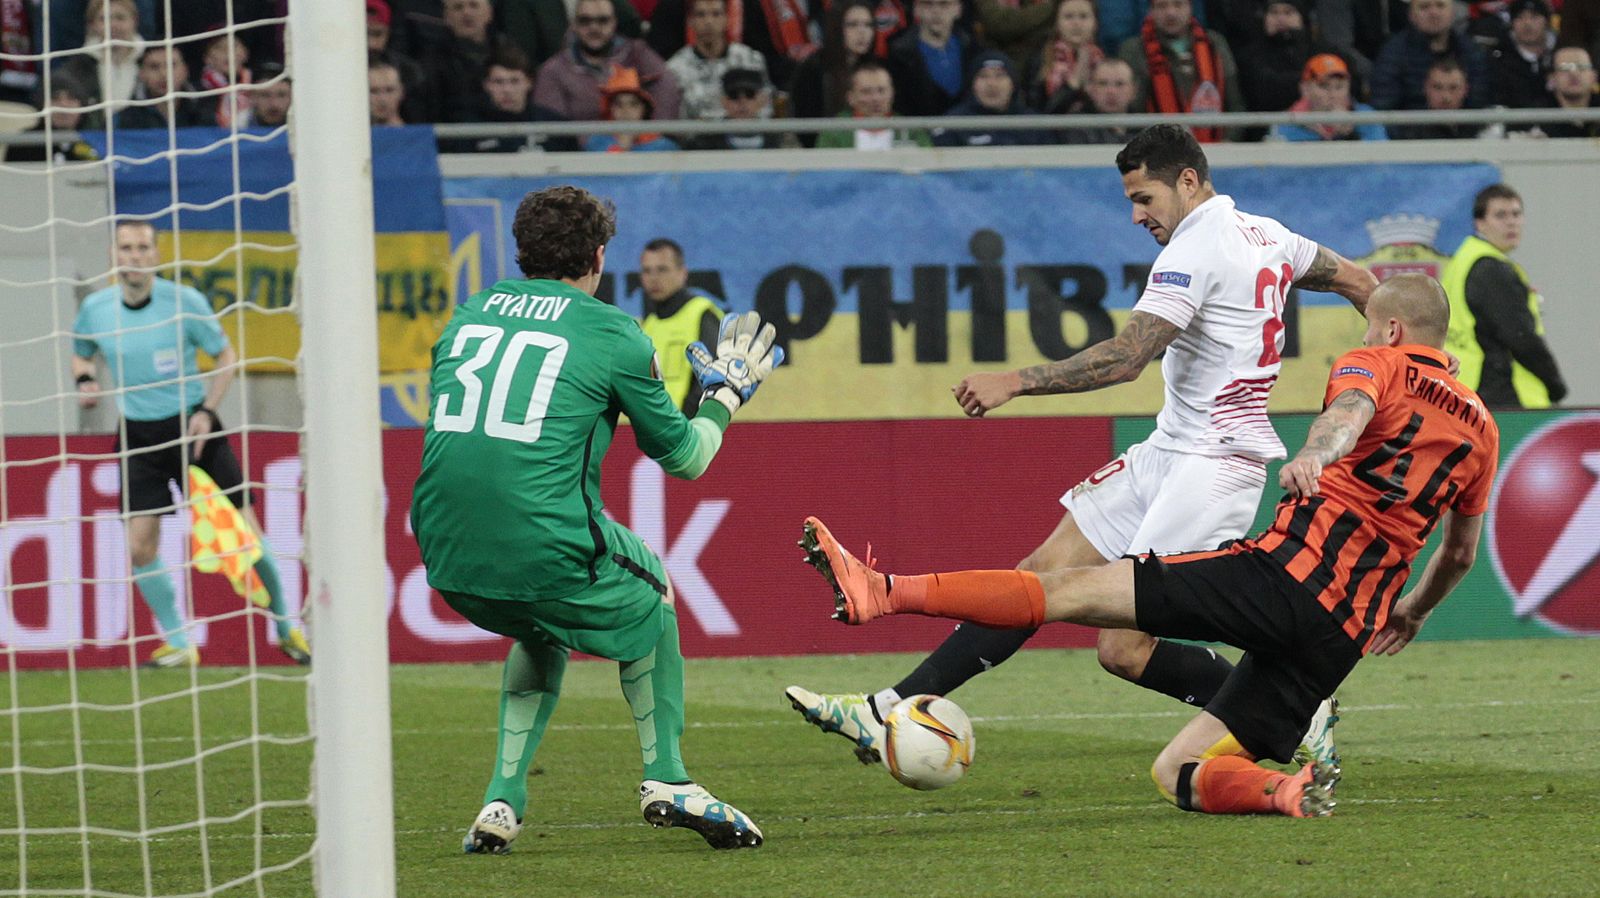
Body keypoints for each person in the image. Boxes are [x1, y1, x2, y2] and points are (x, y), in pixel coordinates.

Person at [786, 124, 1377, 777]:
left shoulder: (1195, 249)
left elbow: (1126, 359)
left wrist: (1014, 381)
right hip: (1170, 449)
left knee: (1123, 647)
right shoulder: (1271, 235)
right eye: (1130, 200)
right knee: (1038, 574)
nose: (1136, 216)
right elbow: (1356, 281)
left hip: (1213, 466)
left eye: (1145, 197)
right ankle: (885, 707)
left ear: (1188, 180)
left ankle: (1299, 713)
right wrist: (1402, 357)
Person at [800, 273, 1498, 819]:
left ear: (1394, 328)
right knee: (1177, 775)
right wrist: (1412, 612)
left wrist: (1318, 452)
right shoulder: (1485, 431)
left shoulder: (1376, 361)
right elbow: (1460, 553)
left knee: (1064, 587)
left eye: (1375, 322)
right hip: (1343, 635)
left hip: (1281, 578)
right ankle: (1283, 793)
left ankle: (884, 590)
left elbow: (1348, 416)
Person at [410, 185, 780, 854]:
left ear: (522, 252)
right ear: (599, 256)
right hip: (543, 541)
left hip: (441, 553)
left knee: (543, 621)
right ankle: (667, 778)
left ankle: (503, 799)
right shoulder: (614, 333)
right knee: (655, 590)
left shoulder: (467, 315)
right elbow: (688, 459)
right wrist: (725, 391)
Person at [71, 221, 310, 669]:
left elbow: (225, 355)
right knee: (140, 546)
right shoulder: (97, 309)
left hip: (194, 430)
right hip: (137, 436)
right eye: (126, 248)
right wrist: (84, 378)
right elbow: (81, 349)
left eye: (143, 248)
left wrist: (206, 411)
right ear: (113, 254)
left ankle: (286, 626)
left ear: (156, 255)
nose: (135, 256)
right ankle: (181, 642)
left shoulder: (185, 303)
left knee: (247, 536)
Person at [1441, 183, 1567, 409]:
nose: (1511, 222)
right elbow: (1520, 337)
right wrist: (1555, 385)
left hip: (1464, 387)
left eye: (1516, 214)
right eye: (1500, 215)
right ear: (1479, 223)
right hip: (1500, 393)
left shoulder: (1463, 260)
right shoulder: (1491, 269)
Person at [1117, 0, 1244, 142]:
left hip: (1217, 149)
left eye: (1178, 4)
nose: (1171, 13)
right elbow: (1131, 110)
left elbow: (1235, 104)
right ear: (1150, 11)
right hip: (1157, 152)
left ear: (1190, 8)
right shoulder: (1133, 50)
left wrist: (1228, 143)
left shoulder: (1215, 43)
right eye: (1162, 6)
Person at [533, 0, 680, 121]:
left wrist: (651, 136)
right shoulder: (553, 70)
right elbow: (552, 124)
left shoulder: (637, 53)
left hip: (639, 149)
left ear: (614, 23)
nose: (594, 27)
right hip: (581, 153)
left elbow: (667, 86)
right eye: (585, 21)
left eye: (603, 20)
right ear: (573, 25)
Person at [639, 238, 726, 413]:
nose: (654, 278)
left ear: (682, 272)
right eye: (647, 271)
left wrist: (685, 424)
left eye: (662, 269)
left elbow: (713, 379)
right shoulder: (648, 325)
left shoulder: (702, 314)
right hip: (657, 432)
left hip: (691, 430)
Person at [1370, 0, 1491, 110]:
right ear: (1411, 16)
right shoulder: (1393, 53)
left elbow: (1480, 100)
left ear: (1452, 12)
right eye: (1424, 7)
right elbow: (1385, 107)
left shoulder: (1471, 50)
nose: (1434, 13)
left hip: (1464, 131)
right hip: (1412, 131)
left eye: (1440, 5)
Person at [787, 0, 879, 145]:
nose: (862, 32)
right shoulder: (812, 69)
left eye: (868, 25)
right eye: (852, 25)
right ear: (836, 27)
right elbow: (804, 126)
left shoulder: (879, 68)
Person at [665, 0, 770, 120]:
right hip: (697, 137)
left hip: (745, 133)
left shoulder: (750, 60)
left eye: (716, 14)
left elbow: (766, 108)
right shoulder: (675, 68)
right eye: (701, 15)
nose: (708, 22)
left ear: (727, 19)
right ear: (690, 21)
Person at [932, 50, 1045, 147]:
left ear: (1013, 84)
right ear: (972, 85)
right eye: (983, 76)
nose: (991, 83)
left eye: (1000, 75)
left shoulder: (1035, 124)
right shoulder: (952, 125)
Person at [816, 57, 933, 148]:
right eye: (866, 92)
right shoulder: (833, 131)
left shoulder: (911, 131)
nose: (875, 98)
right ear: (850, 98)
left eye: (881, 91)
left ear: (892, 94)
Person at [1271, 53, 1388, 142]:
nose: (1332, 94)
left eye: (1339, 87)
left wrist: (1350, 134)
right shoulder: (1285, 124)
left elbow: (1379, 164)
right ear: (1305, 89)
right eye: (1323, 86)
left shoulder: (1366, 117)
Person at [886, 0, 971, 117]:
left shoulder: (972, 49)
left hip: (964, 131)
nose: (936, 11)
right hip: (918, 132)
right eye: (927, 4)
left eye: (944, 4)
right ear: (916, 10)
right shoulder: (898, 55)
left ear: (958, 9)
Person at [1022, 0, 1103, 114]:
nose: (1076, 23)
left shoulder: (1102, 61)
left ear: (1095, 23)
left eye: (1083, 16)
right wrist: (1073, 84)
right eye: (1068, 17)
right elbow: (1039, 110)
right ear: (1057, 23)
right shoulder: (1041, 59)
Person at [686, 67, 798, 149]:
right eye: (733, 95)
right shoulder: (703, 143)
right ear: (724, 101)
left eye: (750, 94)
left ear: (762, 100)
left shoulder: (780, 140)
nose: (742, 101)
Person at [582, 66, 680, 151]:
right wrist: (621, 149)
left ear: (644, 109)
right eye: (619, 105)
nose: (626, 111)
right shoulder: (596, 143)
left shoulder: (664, 147)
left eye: (633, 104)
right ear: (610, 109)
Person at [115, 44, 212, 130]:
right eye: (154, 67)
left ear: (185, 70)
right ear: (141, 74)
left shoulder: (205, 111)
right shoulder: (122, 120)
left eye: (171, 65)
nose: (164, 74)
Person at [1390, 58, 1484, 139]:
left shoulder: (1480, 129)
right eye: (1438, 87)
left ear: (1465, 89)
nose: (1446, 97)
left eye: (1453, 88)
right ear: (1425, 88)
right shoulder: (1407, 133)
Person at [1488, 0, 1556, 112]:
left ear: (1547, 21)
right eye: (1519, 17)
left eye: (1534, 16)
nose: (1527, 23)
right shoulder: (1498, 59)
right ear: (1511, 23)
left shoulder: (1560, 55)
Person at [1059, 57, 1138, 144]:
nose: (1111, 91)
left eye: (1119, 84)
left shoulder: (1145, 127)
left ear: (1133, 91)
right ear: (1090, 89)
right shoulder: (1077, 127)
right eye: (1103, 83)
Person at [1533, 46, 1600, 138]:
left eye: (1581, 67)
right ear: (1552, 78)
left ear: (1594, 77)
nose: (1574, 73)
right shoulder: (1535, 115)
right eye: (1565, 68)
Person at [241, 61, 290, 128]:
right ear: (252, 97)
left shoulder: (304, 123)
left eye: (281, 95)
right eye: (265, 95)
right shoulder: (237, 126)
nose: (274, 104)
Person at [368, 54, 408, 126]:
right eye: (374, 91)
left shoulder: (416, 136)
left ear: (402, 92)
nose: (382, 99)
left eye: (389, 90)